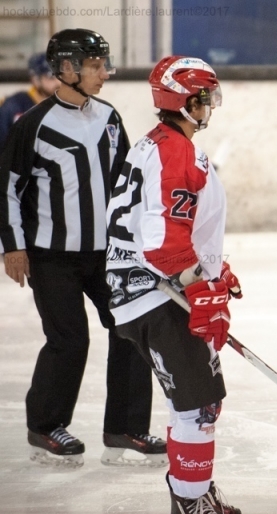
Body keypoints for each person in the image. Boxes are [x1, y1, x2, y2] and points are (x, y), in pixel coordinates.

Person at [0, 28, 164, 468]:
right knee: (69, 339)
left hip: (105, 255)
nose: (103, 74)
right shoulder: (33, 125)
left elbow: (127, 186)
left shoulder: (109, 119)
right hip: (51, 257)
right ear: (66, 69)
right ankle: (45, 423)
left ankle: (125, 427)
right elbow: (9, 190)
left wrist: (136, 245)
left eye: (103, 64)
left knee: (129, 328)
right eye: (94, 65)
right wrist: (13, 247)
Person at [105, 55, 243, 514]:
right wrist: (197, 286)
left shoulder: (155, 144)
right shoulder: (176, 151)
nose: (209, 106)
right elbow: (161, 239)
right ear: (183, 101)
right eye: (203, 98)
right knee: (198, 406)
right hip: (159, 296)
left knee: (196, 402)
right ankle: (189, 504)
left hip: (145, 292)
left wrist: (214, 270)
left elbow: (177, 224)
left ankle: (194, 489)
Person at [0, 53, 60, 151]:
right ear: (35, 79)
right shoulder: (13, 106)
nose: (58, 82)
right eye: (50, 77)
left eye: (59, 76)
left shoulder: (67, 104)